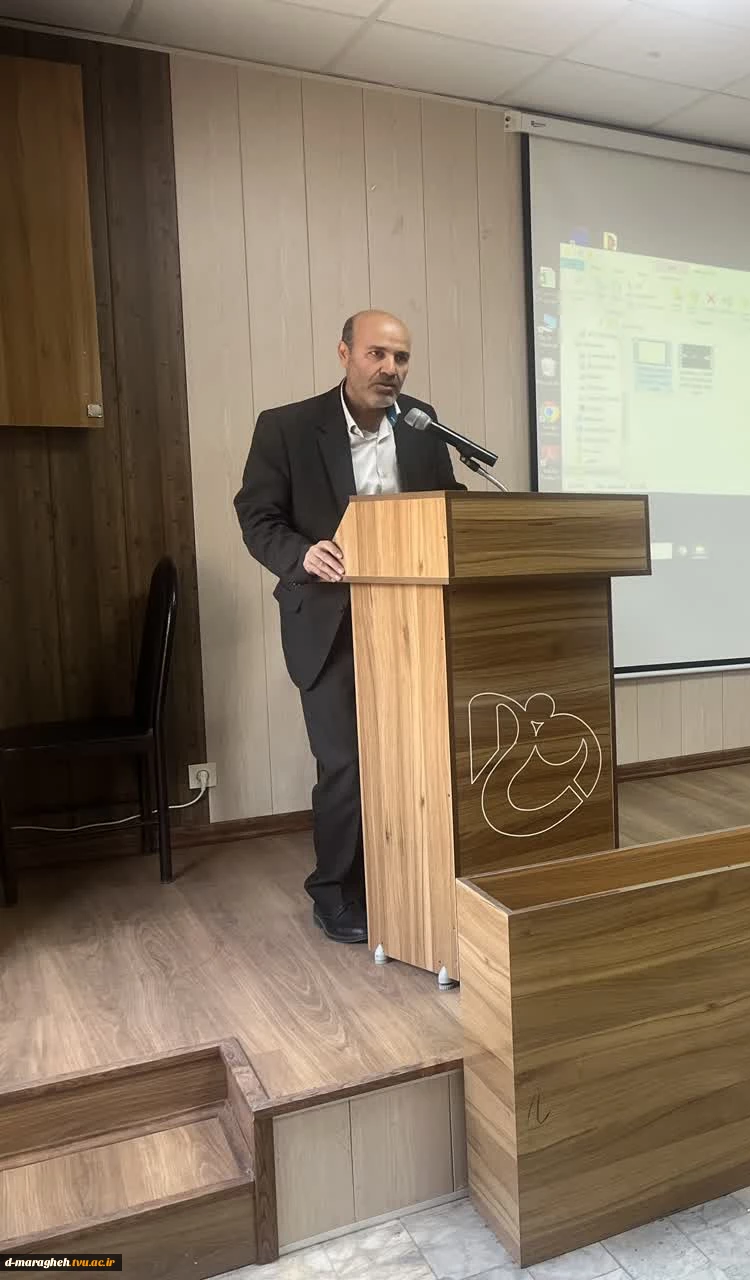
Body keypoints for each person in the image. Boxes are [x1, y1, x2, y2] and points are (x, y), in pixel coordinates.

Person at [234, 310, 463, 944]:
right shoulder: (286, 426)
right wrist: (301, 554)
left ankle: (409, 878)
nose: (391, 368)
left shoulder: (421, 424)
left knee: (415, 755)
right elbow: (257, 516)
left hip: (413, 621)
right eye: (377, 354)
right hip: (327, 618)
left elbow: (447, 505)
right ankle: (334, 891)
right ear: (344, 354)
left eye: (401, 357)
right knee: (347, 762)